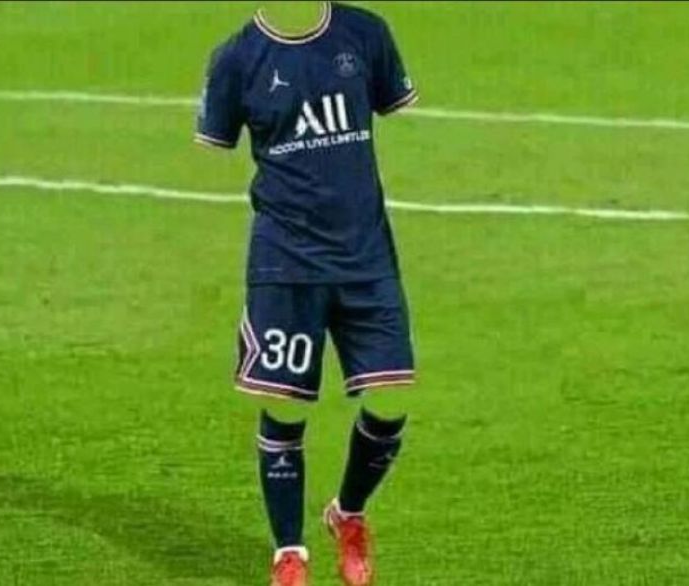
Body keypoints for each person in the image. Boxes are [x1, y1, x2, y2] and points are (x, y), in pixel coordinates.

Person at [195, 2, 418, 584]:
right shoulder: (236, 58)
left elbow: (390, 102)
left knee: (391, 398)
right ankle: (289, 553)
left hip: (366, 256)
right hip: (286, 261)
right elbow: (217, 137)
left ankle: (348, 513)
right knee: (285, 402)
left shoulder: (365, 33)